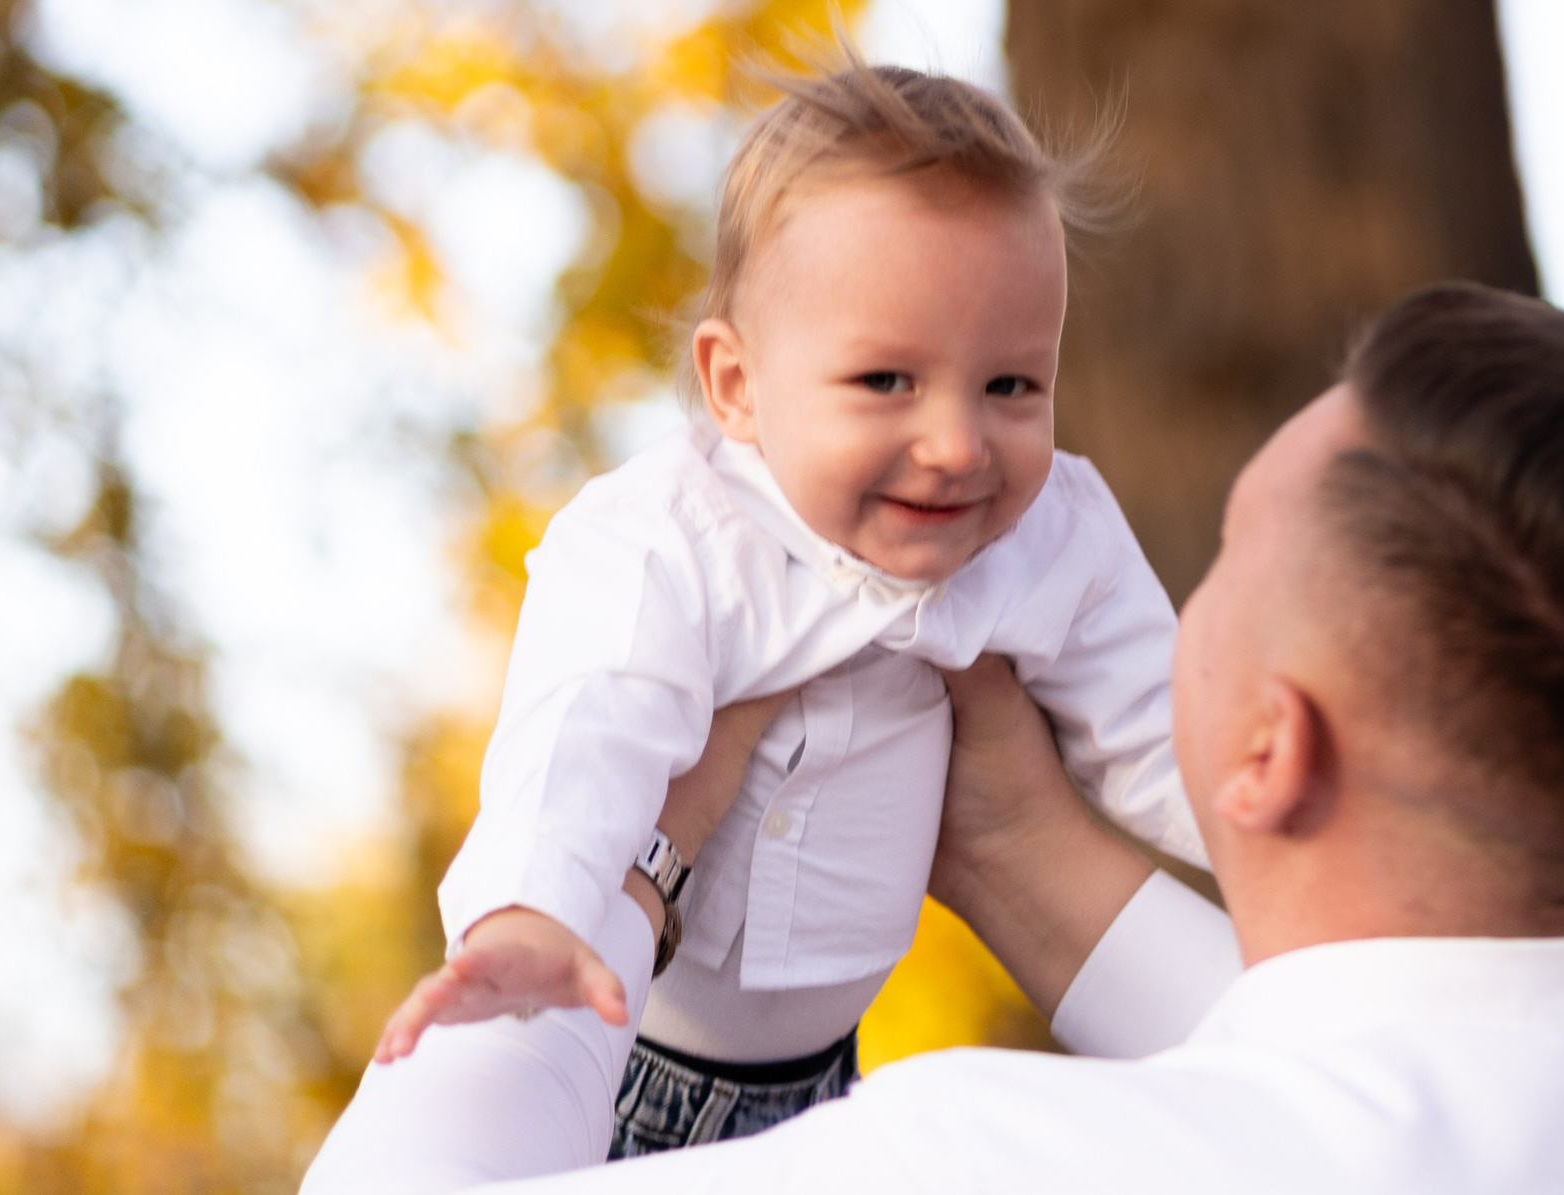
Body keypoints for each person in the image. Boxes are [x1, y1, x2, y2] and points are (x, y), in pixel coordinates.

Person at [347, 282, 1564, 1193]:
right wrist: (1033, 867)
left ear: (1270, 744)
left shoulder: (991, 1162)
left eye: (1215, 562)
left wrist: (629, 871)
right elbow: (1436, 1102)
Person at [306, 63, 1203, 1185]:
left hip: (824, 1079)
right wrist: (526, 916)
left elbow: (1167, 735)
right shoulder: (673, 539)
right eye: (887, 380)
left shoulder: (1052, 537)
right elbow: (585, 731)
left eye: (1012, 387)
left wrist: (1314, 851)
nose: (959, 444)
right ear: (736, 385)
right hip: (617, 1053)